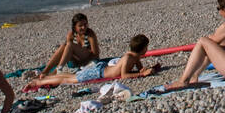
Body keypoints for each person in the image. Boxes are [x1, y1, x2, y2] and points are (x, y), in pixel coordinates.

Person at [26, 35, 158, 88]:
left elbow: (140, 69)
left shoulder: (134, 56)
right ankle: (40, 81)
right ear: (143, 48)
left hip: (100, 69)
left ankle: (47, 76)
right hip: (98, 73)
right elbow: (124, 76)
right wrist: (141, 75)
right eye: (146, 47)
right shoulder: (129, 58)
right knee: (68, 80)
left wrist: (150, 69)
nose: (147, 49)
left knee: (71, 76)